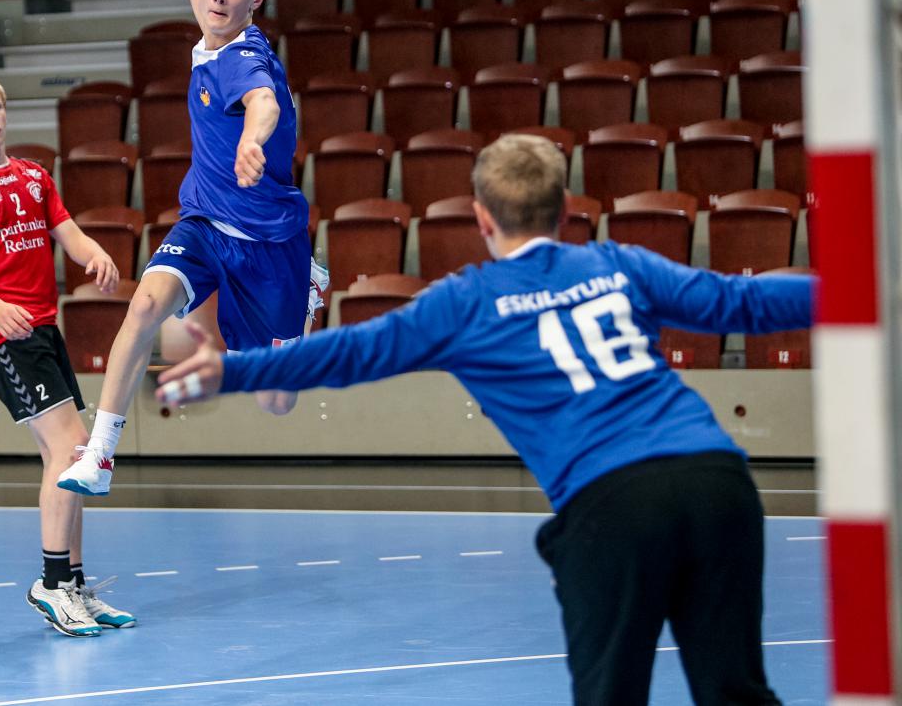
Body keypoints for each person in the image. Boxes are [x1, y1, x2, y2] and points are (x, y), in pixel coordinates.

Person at [155, 133, 814, 705]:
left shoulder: (468, 302)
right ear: (565, 209)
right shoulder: (618, 264)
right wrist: (854, 289)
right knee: (737, 692)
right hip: (717, 480)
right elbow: (747, 301)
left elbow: (352, 352)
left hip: (612, 506)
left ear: (481, 218)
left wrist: (234, 371)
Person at [56, 0, 326, 497]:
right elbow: (209, 13)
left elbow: (262, 102)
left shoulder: (245, 59)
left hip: (268, 241)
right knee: (144, 306)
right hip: (203, 220)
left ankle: (305, 296)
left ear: (257, 0)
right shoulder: (213, 35)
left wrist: (252, 141)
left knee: (276, 401)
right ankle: (99, 455)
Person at [0, 71, 136, 638]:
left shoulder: (34, 175)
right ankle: (51, 584)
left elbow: (66, 231)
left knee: (75, 454)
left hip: (44, 331)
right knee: (71, 449)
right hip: (3, 338)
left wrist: (94, 254)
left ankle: (73, 585)